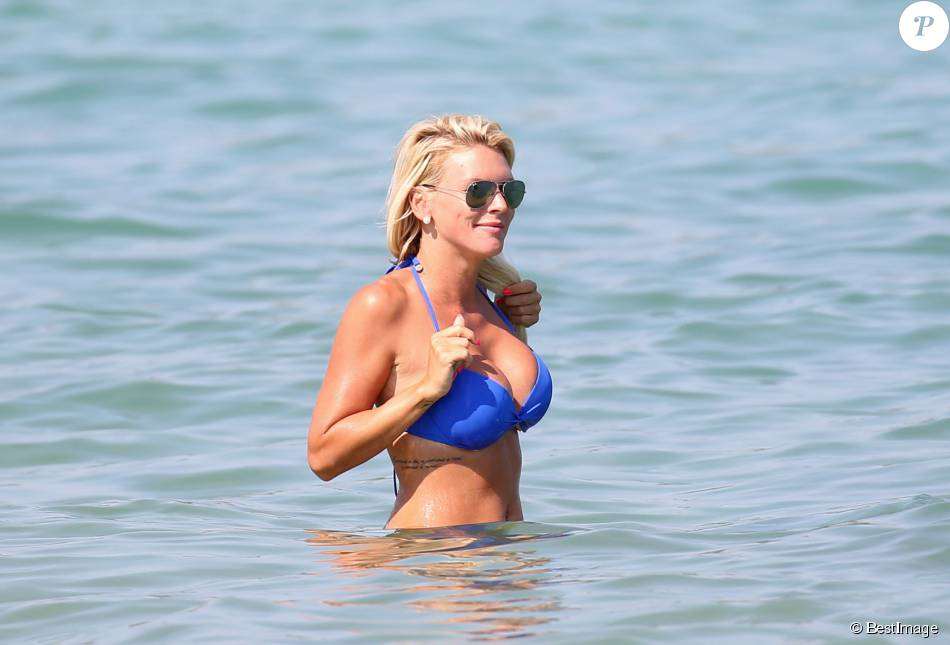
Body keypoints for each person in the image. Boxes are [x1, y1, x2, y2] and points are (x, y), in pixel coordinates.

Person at [307, 114, 553, 529]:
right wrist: (424, 391)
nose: (500, 206)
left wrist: (513, 323)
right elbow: (323, 457)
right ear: (421, 204)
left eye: (509, 191)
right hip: (432, 557)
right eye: (477, 192)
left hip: (511, 554)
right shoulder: (384, 304)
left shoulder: (496, 303)